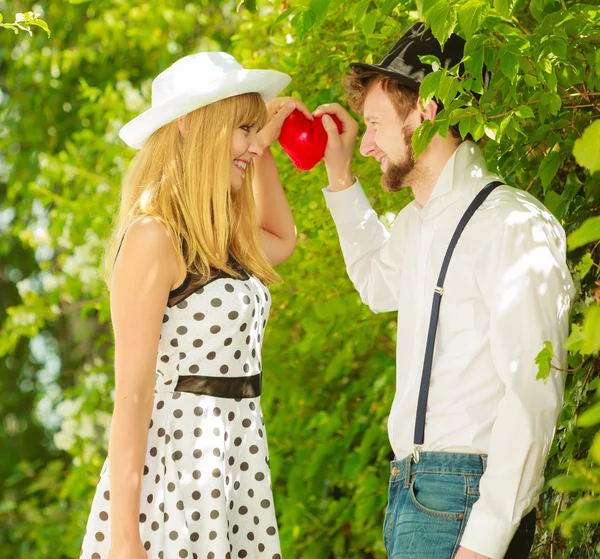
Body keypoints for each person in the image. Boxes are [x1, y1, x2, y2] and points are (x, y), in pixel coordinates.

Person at [313, 22, 574, 559]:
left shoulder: (514, 224)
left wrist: (483, 540)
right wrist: (339, 178)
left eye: (376, 124)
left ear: (427, 109)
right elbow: (374, 282)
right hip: (408, 495)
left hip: (463, 498)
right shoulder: (418, 223)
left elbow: (534, 396)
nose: (366, 146)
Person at [80, 51, 308, 559]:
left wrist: (262, 151)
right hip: (178, 474)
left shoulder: (221, 235)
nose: (252, 142)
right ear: (190, 126)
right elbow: (133, 396)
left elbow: (281, 238)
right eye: (242, 129)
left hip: (236, 455)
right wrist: (123, 540)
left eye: (255, 129)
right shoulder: (153, 237)